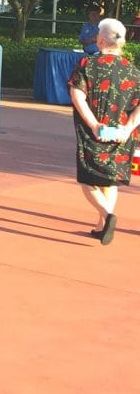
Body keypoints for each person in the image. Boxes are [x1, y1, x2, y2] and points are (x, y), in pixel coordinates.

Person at [67, 17, 140, 245]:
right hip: (121, 133)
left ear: (99, 41)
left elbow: (77, 95)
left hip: (95, 132)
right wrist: (129, 127)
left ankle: (108, 216)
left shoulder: (87, 64)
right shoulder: (133, 70)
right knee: (110, 179)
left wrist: (93, 124)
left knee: (88, 178)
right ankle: (101, 225)